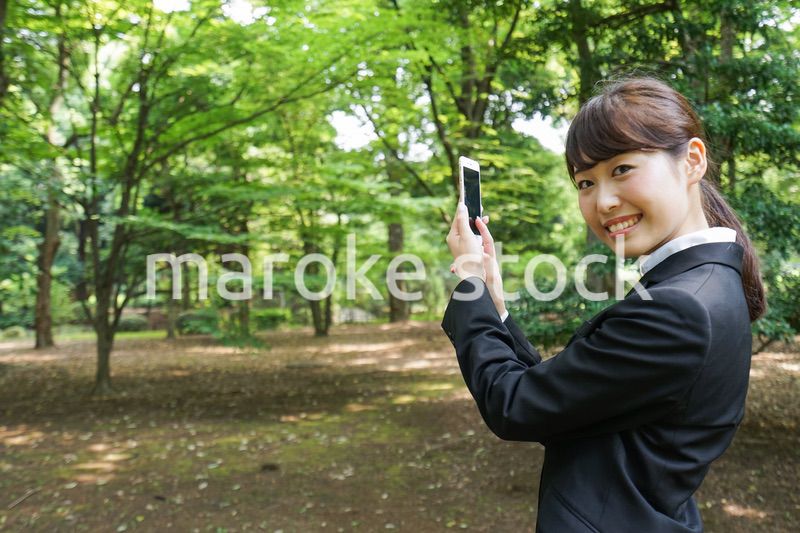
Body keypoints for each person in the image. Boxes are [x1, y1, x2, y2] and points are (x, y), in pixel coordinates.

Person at [441, 75, 766, 532]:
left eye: (621, 169)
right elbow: (561, 400)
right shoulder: (707, 285)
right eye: (585, 183)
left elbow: (514, 404)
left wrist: (470, 285)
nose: (604, 201)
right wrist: (495, 306)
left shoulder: (679, 308)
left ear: (692, 161)